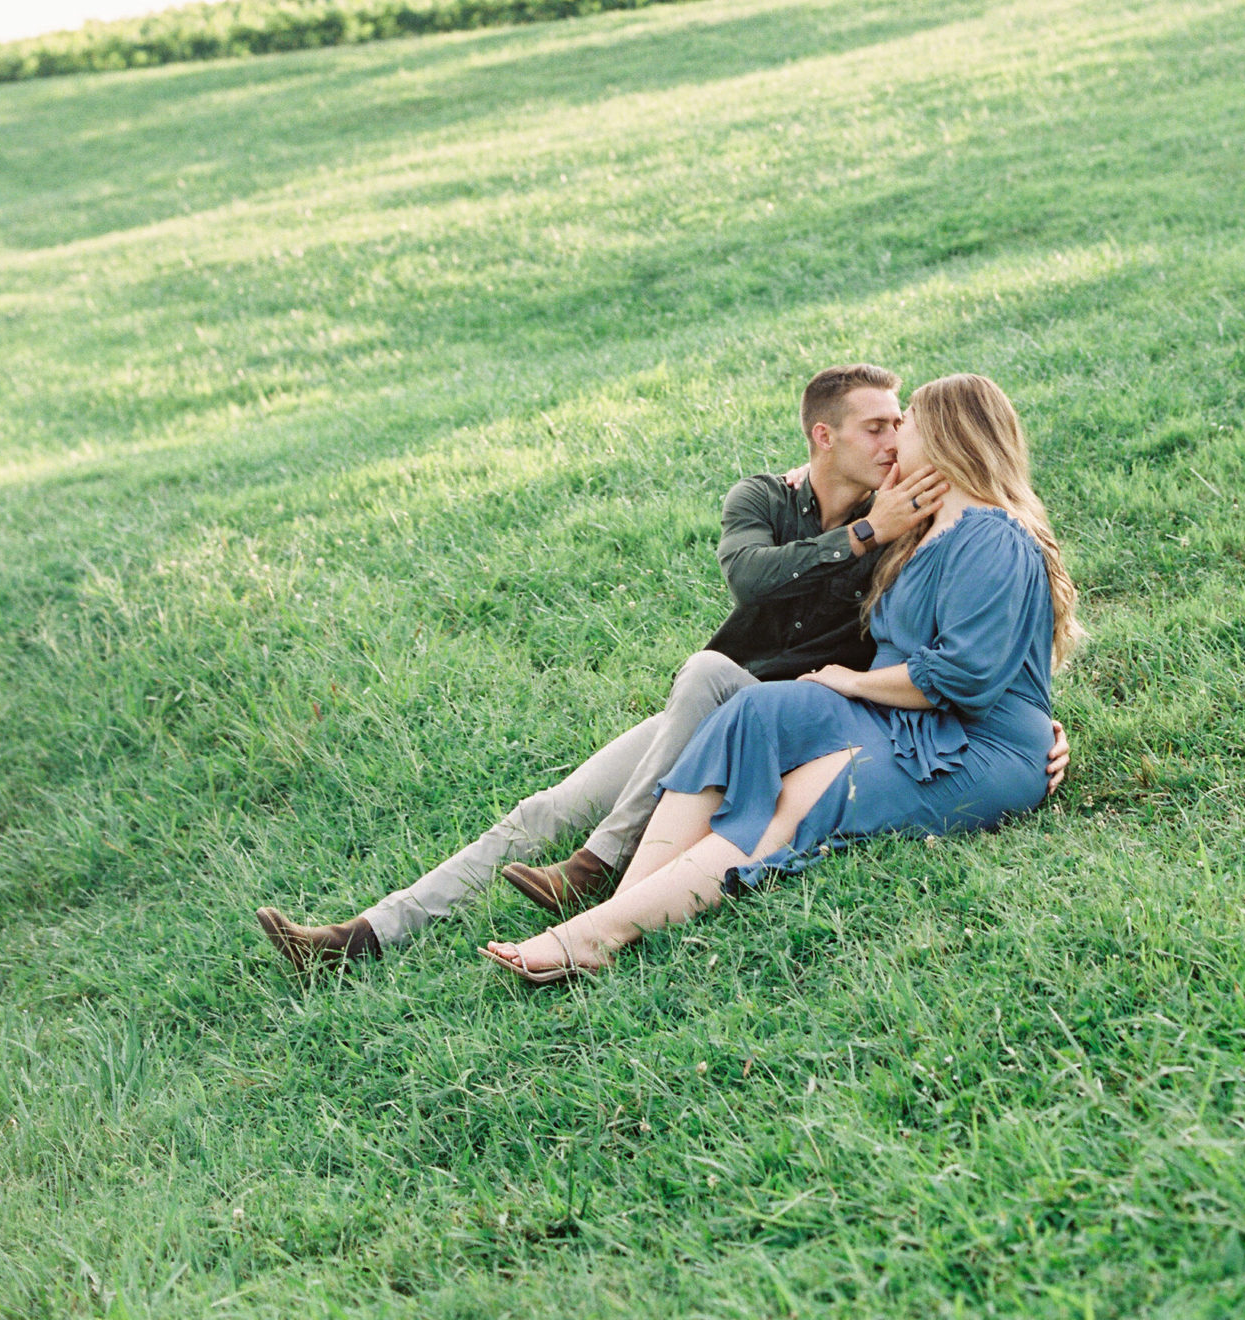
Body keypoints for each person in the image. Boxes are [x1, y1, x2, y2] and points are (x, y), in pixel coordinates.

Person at [256, 364, 1069, 970]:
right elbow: (750, 578)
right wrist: (862, 534)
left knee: (711, 683)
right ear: (825, 439)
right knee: (549, 804)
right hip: (744, 696)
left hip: (810, 710)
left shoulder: (926, 521)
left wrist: (1034, 727)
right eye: (876, 429)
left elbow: (985, 641)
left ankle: (600, 876)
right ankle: (365, 933)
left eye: (904, 425)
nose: (894, 442)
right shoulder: (774, 500)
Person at [484, 373, 1077, 985]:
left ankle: (599, 934)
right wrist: (810, 474)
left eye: (910, 423)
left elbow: (962, 678)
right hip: (905, 718)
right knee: (749, 712)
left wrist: (849, 682)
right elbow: (831, 482)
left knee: (805, 794)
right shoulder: (921, 529)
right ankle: (621, 901)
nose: (898, 434)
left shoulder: (993, 536)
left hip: (978, 744)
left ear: (950, 440)